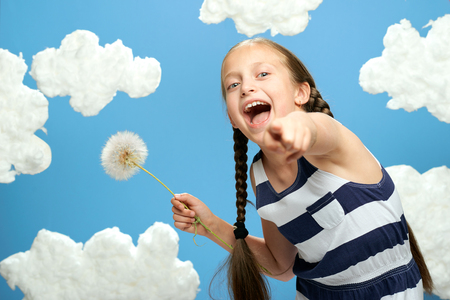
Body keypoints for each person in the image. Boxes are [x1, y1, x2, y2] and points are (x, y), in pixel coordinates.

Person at [171, 38, 433, 300]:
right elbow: (281, 266)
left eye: (262, 74)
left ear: (301, 93)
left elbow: (316, 129)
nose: (246, 87)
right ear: (232, 118)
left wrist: (299, 127)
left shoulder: (335, 144)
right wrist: (209, 225)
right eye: (233, 84)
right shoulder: (260, 175)